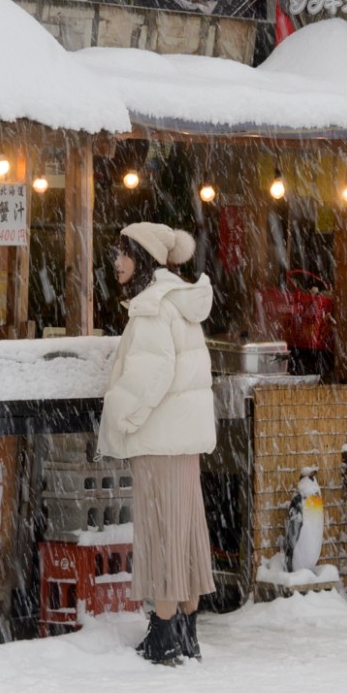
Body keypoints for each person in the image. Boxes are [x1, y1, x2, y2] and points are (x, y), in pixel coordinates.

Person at [98, 221, 216, 664]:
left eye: (124, 254)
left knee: (161, 529)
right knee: (185, 530)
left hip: (160, 436)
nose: (118, 263)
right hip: (183, 439)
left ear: (144, 257)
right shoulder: (180, 300)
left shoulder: (151, 306)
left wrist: (119, 413)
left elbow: (152, 374)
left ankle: (164, 632)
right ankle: (187, 629)